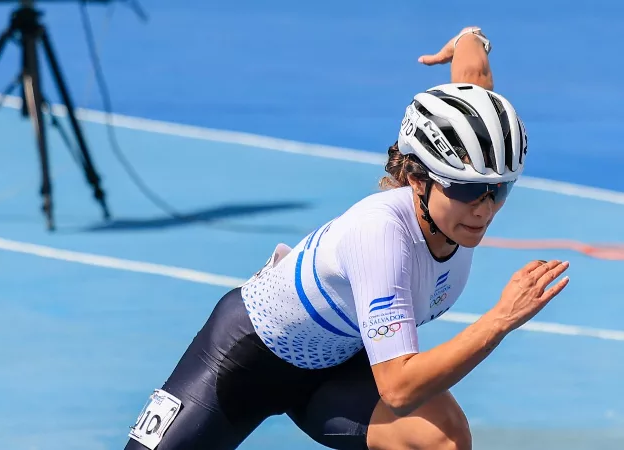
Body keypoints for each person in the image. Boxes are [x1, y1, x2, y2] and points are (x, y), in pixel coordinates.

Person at [124, 26, 571, 450]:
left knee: (441, 440)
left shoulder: (467, 177)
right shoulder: (380, 235)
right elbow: (399, 388)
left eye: (500, 189)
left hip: (339, 369)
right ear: (417, 178)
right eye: (467, 189)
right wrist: (498, 320)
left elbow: (474, 87)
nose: (485, 208)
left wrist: (472, 38)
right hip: (245, 360)